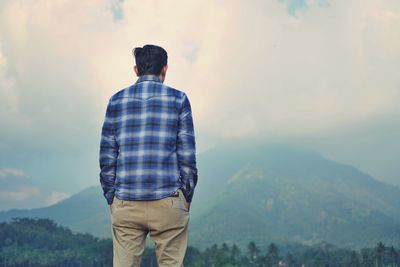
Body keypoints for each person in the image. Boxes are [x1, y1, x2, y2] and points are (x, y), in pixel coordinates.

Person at [99, 44, 198, 267]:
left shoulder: (116, 101)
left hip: (125, 201)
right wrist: (186, 196)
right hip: (169, 200)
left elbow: (107, 157)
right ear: (165, 69)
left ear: (136, 70)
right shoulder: (179, 99)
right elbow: (187, 157)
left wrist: (111, 197)